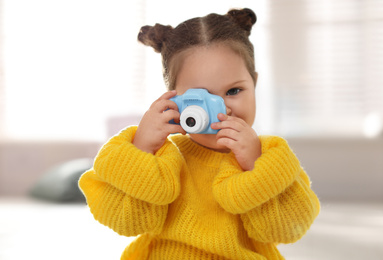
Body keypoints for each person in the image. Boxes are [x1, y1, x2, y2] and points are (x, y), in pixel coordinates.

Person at [79, 8, 320, 260]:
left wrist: (257, 168)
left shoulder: (272, 158)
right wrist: (141, 149)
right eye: (202, 97)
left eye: (234, 91)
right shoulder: (161, 158)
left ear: (254, 83)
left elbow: (290, 229)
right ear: (174, 96)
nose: (223, 108)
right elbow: (126, 223)